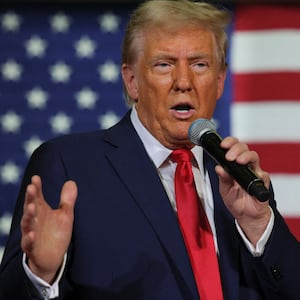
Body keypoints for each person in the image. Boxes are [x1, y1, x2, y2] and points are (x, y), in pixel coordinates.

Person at [0, 0, 300, 299]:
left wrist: (259, 224)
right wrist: (40, 274)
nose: (184, 82)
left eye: (199, 64)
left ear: (220, 82)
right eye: (164, 64)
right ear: (132, 82)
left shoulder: (237, 179)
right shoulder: (70, 166)